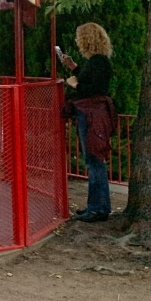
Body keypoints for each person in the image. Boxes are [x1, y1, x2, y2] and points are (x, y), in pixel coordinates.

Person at [60, 23, 114, 223]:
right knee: (93, 160)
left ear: (87, 39)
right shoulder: (96, 62)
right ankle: (96, 206)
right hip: (90, 114)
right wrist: (74, 67)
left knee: (95, 161)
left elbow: (94, 89)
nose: (76, 41)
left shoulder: (99, 62)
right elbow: (93, 80)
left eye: (79, 37)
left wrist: (75, 84)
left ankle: (99, 208)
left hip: (92, 115)